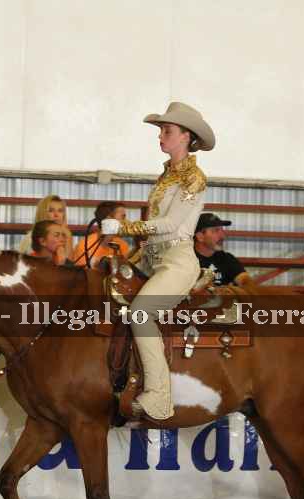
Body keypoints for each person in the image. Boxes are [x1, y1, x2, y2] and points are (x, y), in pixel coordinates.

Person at [101, 101, 215, 421]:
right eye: (162, 130)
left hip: (177, 260)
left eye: (167, 131)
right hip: (151, 257)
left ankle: (159, 395)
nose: (161, 136)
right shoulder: (168, 174)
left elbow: (170, 224)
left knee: (140, 313)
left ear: (185, 136)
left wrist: (123, 227)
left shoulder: (194, 178)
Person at [194, 212, 256, 290]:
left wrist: (245, 287)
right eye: (216, 231)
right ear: (200, 236)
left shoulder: (226, 258)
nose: (223, 236)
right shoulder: (186, 260)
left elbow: (245, 281)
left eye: (222, 230)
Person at [70, 201, 132, 268]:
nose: (127, 221)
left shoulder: (122, 245)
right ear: (109, 220)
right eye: (123, 217)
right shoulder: (85, 245)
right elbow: (81, 273)